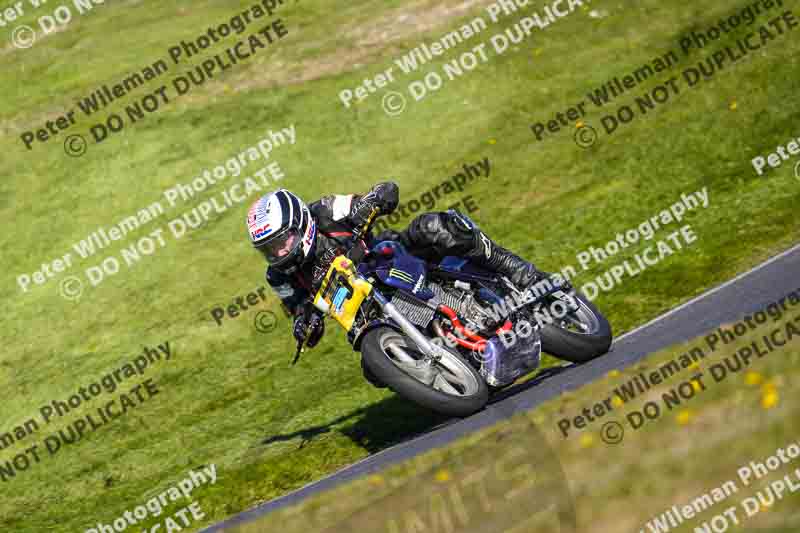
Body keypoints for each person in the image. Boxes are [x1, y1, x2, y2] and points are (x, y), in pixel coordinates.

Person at [246, 182, 545, 352]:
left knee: (435, 227)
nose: (279, 252)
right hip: (365, 314)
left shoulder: (324, 211)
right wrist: (304, 325)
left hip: (388, 257)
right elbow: (302, 313)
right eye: (269, 249)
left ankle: (521, 273)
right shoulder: (278, 275)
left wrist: (372, 202)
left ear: (299, 224)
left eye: (281, 242)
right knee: (373, 370)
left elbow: (385, 192)